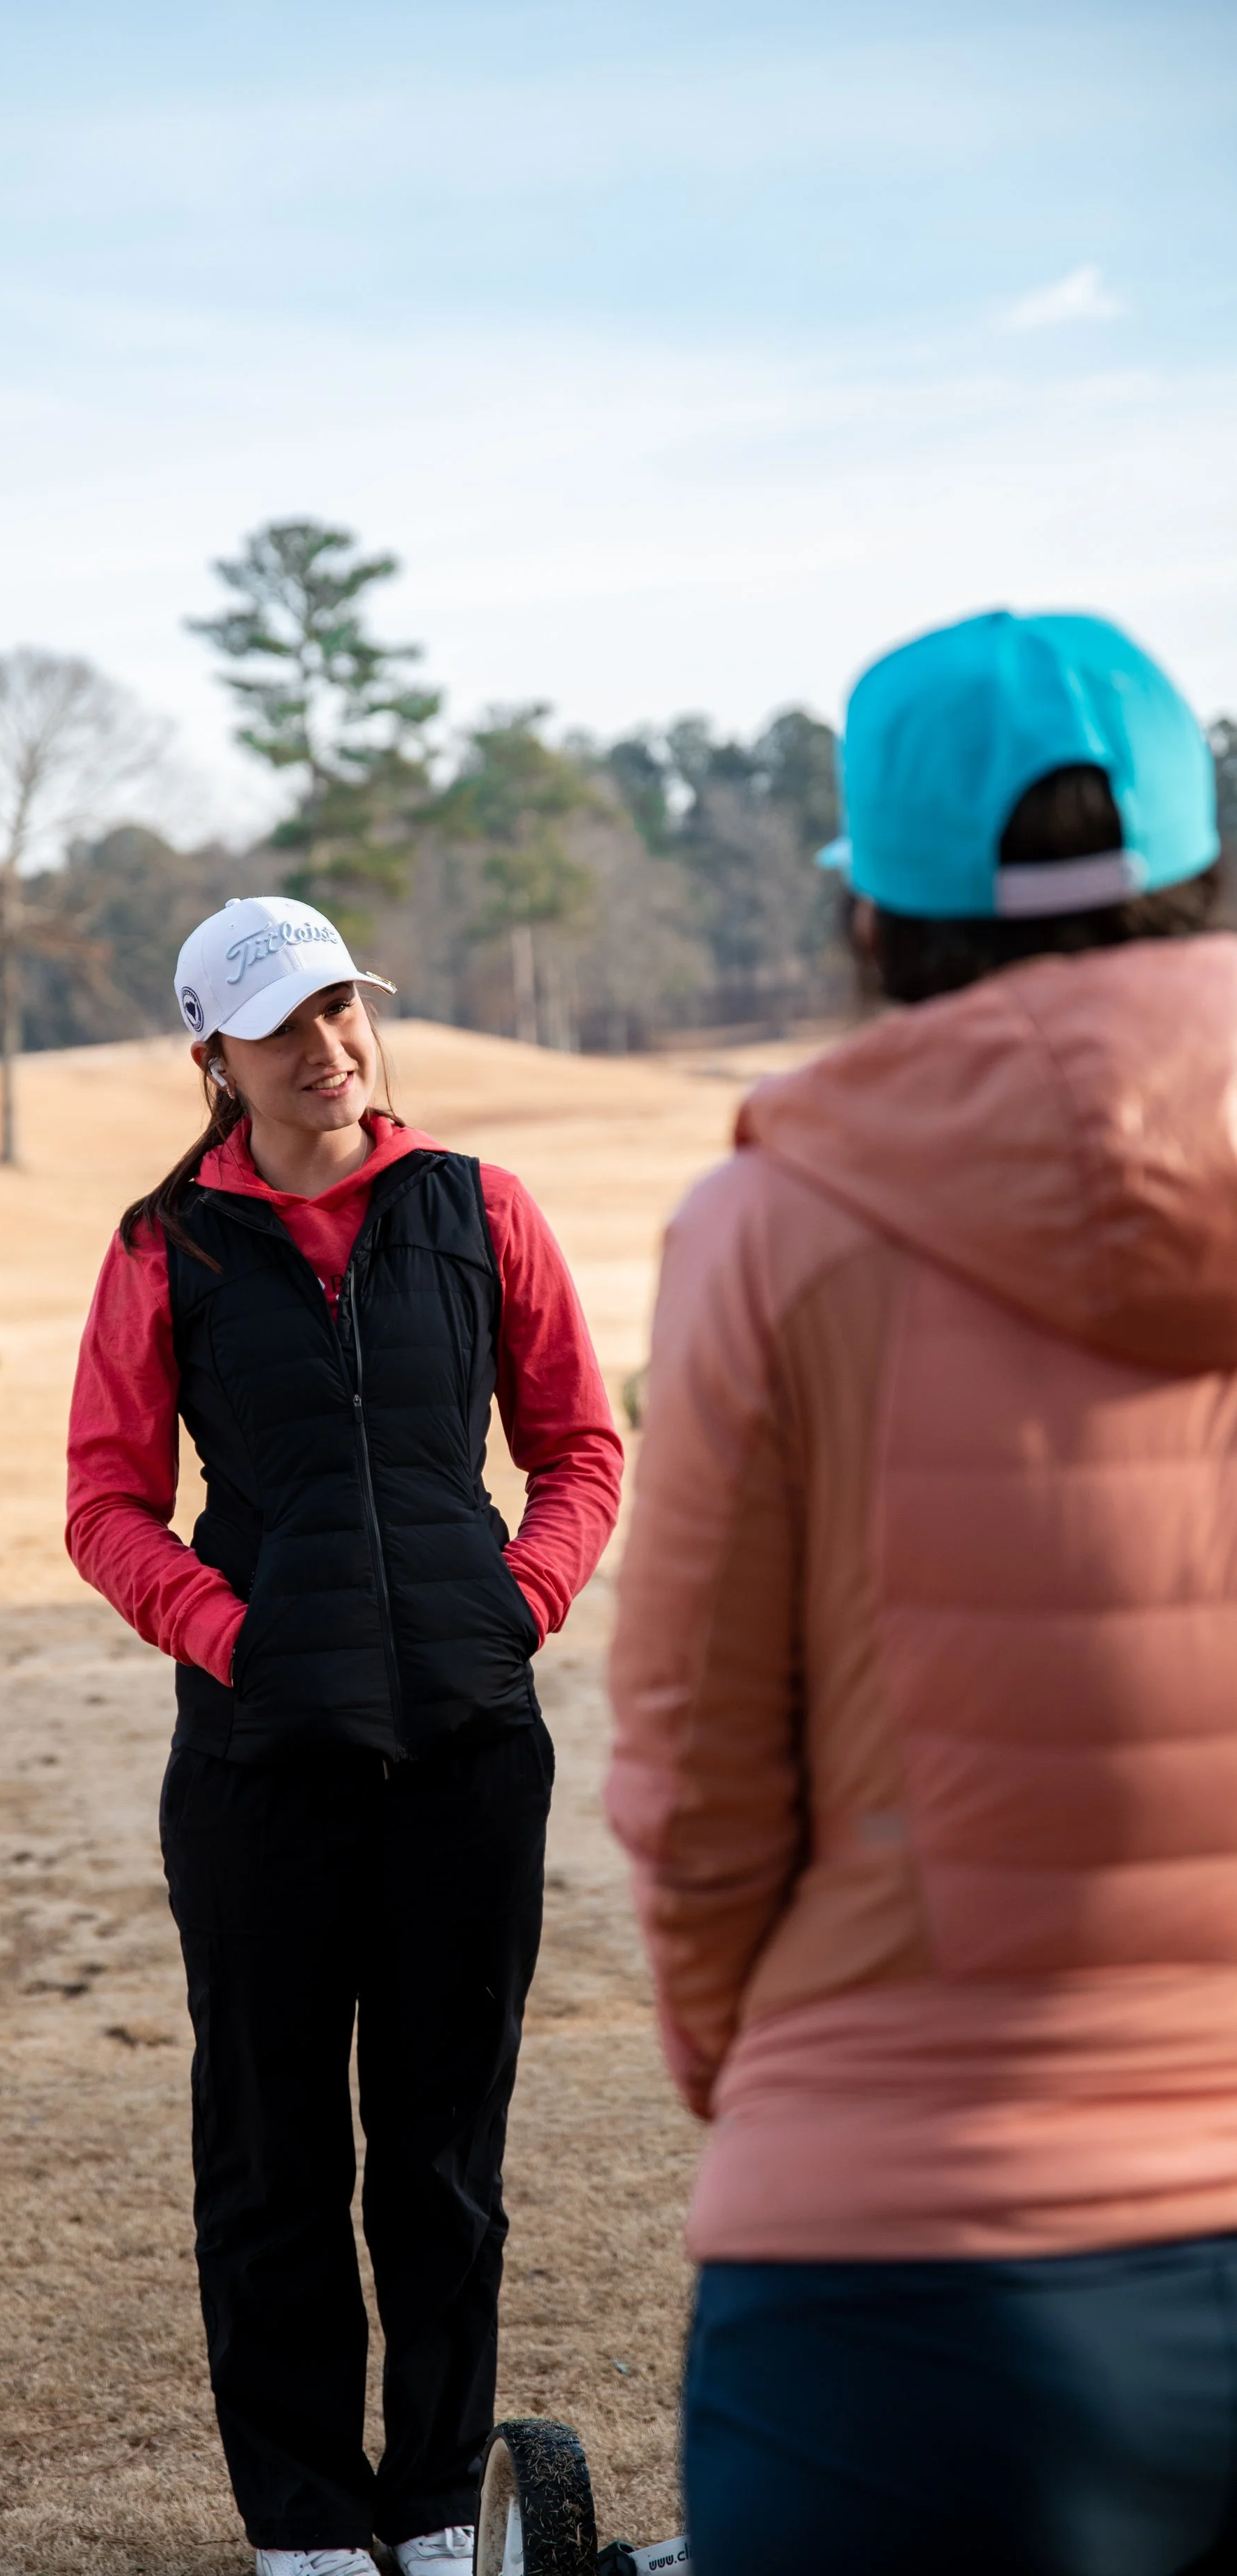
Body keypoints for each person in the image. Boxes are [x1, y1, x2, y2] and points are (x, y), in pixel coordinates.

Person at [606, 610, 1237, 2576]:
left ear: (868, 913)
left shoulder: (769, 1225)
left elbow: (697, 1770)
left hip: (907, 2257)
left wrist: (772, 2069)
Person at [67, 895, 622, 2576]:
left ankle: (442, 2504)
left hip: (466, 1755)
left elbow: (581, 1444)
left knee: (445, 2160)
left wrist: (510, 1601)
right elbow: (105, 1502)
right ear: (212, 1058)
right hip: (260, 1775)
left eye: (342, 1009)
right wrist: (239, 1639)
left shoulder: (479, 1208)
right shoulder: (166, 1246)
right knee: (273, 2154)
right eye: (282, 1024)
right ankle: (308, 2523)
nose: (328, 1047)